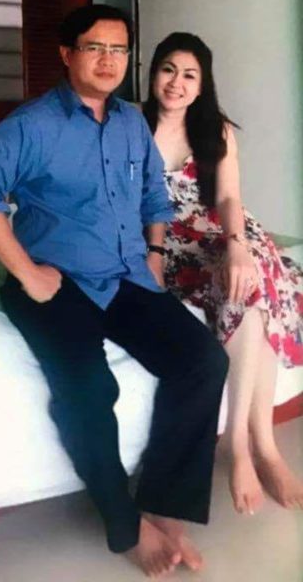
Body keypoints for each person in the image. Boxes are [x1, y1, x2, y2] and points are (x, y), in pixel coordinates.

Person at [0, 5, 228, 579]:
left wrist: (154, 254)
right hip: (56, 279)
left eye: (119, 50)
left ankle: (165, 505)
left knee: (203, 359)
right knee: (88, 384)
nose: (108, 61)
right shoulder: (31, 124)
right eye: (94, 48)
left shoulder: (131, 121)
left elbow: (153, 194)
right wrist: (28, 273)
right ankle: (123, 524)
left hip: (126, 275)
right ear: (67, 54)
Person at [143, 32, 303, 516]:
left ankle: (250, 443)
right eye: (168, 69)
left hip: (225, 230)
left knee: (253, 275)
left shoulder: (217, 129)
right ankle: (253, 444)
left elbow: (230, 198)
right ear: (153, 72)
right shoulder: (131, 125)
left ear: (202, 84)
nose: (177, 83)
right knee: (260, 288)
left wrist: (236, 246)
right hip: (173, 243)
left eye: (189, 75)